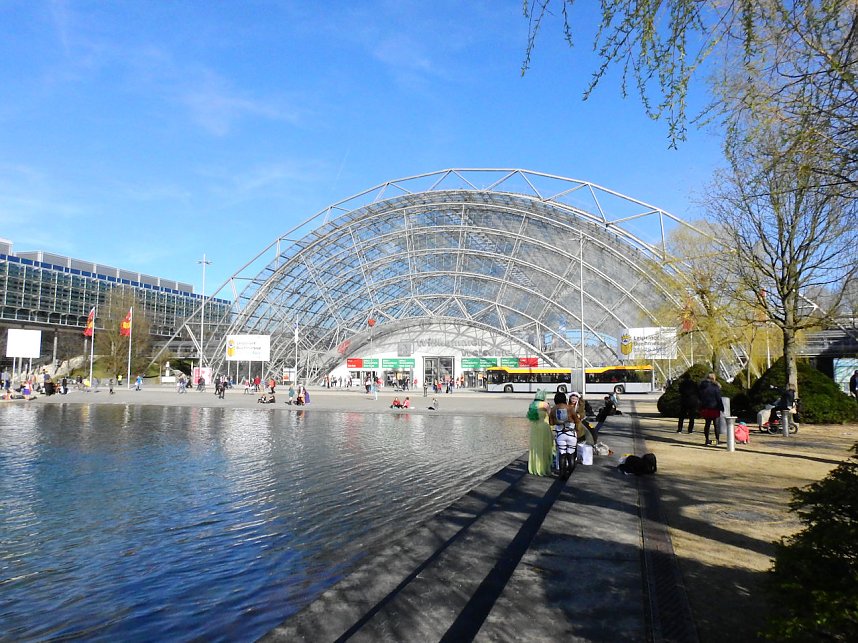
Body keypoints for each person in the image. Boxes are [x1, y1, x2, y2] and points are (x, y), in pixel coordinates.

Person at [549, 391, 578, 479]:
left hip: (560, 434)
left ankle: (562, 475)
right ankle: (571, 475)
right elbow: (577, 420)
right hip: (571, 434)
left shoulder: (553, 409)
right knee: (571, 455)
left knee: (562, 454)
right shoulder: (570, 408)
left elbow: (551, 423)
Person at [527, 390, 553, 476]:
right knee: (544, 447)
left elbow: (530, 417)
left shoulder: (532, 405)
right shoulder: (545, 405)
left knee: (535, 446)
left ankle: (534, 468)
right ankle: (543, 467)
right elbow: (551, 415)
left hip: (535, 427)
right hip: (543, 426)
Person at [698, 372, 724, 446]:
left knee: (707, 424)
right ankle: (717, 440)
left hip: (705, 407)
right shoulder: (715, 387)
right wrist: (722, 407)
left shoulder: (702, 387)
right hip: (714, 407)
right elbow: (718, 398)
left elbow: (699, 397)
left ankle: (707, 440)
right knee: (716, 425)